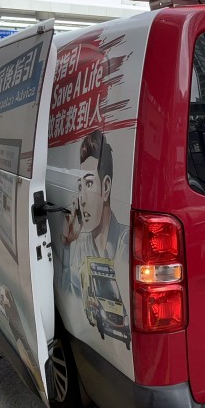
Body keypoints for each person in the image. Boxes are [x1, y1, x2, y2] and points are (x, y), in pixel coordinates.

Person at [61, 129, 130, 306]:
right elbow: (72, 301)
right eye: (80, 186)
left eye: (89, 183)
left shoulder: (127, 243)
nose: (82, 199)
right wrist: (67, 244)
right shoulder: (83, 243)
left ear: (106, 187)